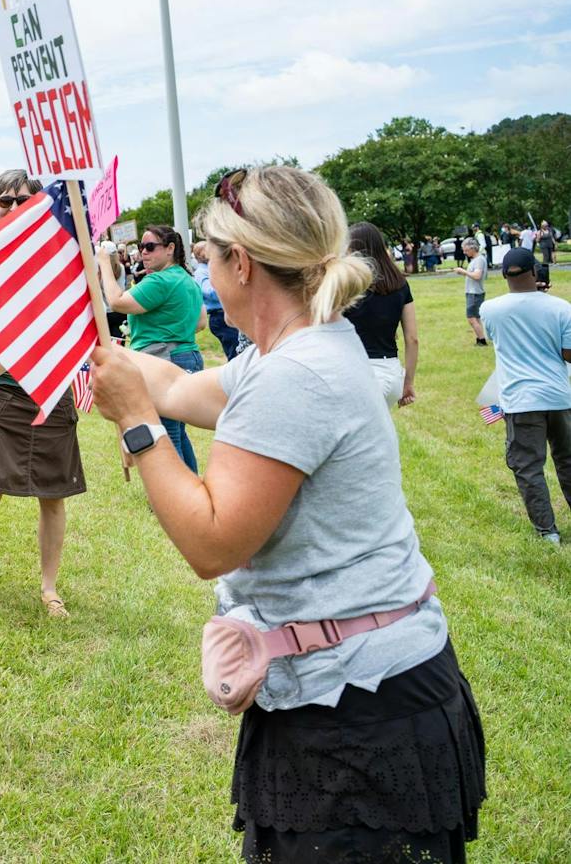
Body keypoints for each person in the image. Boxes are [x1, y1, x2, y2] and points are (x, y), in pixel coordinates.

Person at [91, 164, 484, 863]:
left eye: (210, 258)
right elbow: (178, 387)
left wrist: (137, 426)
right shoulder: (302, 347)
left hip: (357, 715)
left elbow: (212, 542)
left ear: (241, 264)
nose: (207, 274)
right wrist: (104, 356)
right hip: (365, 691)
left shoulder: (294, 376)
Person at [0, 169, 85, 625]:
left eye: (22, 200)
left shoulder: (61, 256)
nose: (12, 208)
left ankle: (50, 589)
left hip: (49, 390)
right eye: (4, 201)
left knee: (53, 495)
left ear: (39, 204)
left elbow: (69, 325)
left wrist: (13, 356)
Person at [97, 225, 205, 473]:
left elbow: (116, 302)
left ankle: (178, 493)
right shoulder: (187, 279)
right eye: (141, 247)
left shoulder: (159, 280)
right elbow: (200, 323)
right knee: (177, 431)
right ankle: (191, 485)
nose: (143, 252)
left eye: (150, 247)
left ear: (170, 249)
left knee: (167, 434)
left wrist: (104, 262)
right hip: (188, 356)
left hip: (163, 359)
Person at [481, 247, 571, 545]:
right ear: (535, 271)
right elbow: (568, 354)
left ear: (504, 275)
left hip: (520, 400)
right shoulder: (561, 308)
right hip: (559, 396)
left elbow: (497, 338)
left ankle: (548, 532)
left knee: (528, 467)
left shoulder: (490, 309)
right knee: (567, 460)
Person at [343, 222, 419, 409]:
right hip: (392, 374)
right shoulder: (400, 283)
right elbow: (412, 339)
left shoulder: (349, 286)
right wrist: (408, 382)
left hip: (361, 373)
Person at [193, 240, 242, 360]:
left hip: (226, 314)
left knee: (239, 350)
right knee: (235, 353)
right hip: (219, 317)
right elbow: (210, 292)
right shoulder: (201, 272)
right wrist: (229, 283)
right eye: (208, 250)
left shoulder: (212, 269)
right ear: (200, 254)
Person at [451, 238, 488, 346]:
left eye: (466, 250)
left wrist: (463, 271)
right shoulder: (475, 260)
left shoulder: (479, 260)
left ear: (473, 248)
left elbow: (477, 276)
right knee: (476, 317)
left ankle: (482, 340)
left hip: (475, 293)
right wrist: (463, 273)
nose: (464, 252)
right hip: (472, 292)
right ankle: (480, 338)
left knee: (471, 318)